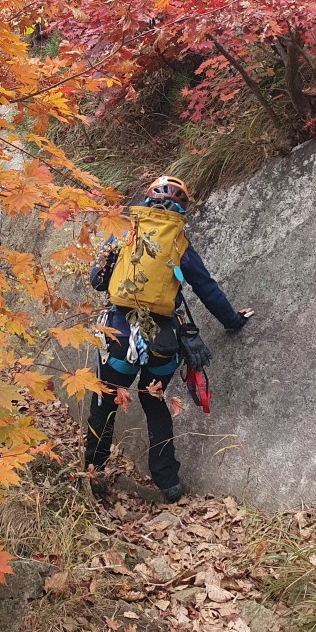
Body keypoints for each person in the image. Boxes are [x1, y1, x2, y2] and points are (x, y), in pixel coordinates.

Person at [84, 174, 252, 503]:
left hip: (119, 335)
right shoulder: (180, 243)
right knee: (154, 403)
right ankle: (169, 484)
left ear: (146, 201)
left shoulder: (123, 233)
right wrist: (233, 320)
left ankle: (93, 471)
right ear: (181, 208)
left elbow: (97, 281)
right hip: (163, 341)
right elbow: (207, 290)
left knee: (104, 402)